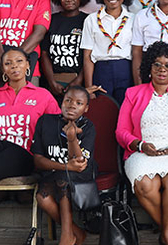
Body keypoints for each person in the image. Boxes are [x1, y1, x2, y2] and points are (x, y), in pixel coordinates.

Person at [0, 48, 60, 245]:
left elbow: (57, 128)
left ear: (28, 65)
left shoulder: (42, 95)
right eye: (8, 63)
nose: (14, 66)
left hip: (24, 154)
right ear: (2, 69)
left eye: (19, 61)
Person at [117, 42, 168, 245]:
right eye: (157, 65)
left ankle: (166, 235)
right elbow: (121, 132)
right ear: (149, 67)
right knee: (145, 186)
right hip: (143, 152)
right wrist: (140, 145)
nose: (162, 70)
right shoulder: (133, 93)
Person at [32, 85, 95, 245]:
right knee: (43, 197)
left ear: (86, 108)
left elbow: (80, 164)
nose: (72, 105)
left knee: (63, 181)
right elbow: (38, 160)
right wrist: (66, 167)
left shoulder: (88, 127)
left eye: (79, 103)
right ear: (61, 103)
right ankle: (77, 232)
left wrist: (72, 138)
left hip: (81, 176)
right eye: (68, 100)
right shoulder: (45, 121)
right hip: (54, 172)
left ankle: (66, 237)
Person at [81, 0, 136, 104]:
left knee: (125, 110)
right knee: (104, 111)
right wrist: (89, 87)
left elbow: (136, 53)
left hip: (125, 70)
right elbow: (87, 56)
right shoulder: (91, 20)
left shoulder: (133, 19)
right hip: (101, 71)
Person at [40, 0, 90, 98]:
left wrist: (78, 80)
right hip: (53, 81)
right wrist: (51, 81)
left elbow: (89, 56)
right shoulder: (52, 20)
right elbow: (45, 53)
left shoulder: (88, 21)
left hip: (78, 81)